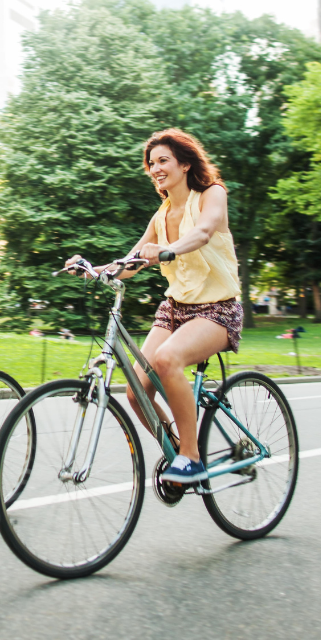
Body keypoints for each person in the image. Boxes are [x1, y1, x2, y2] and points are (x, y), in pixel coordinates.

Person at [66, 128, 242, 484]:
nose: (156, 168)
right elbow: (130, 262)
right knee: (136, 391)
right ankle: (178, 449)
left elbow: (204, 232)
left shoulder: (212, 194)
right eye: (151, 163)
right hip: (175, 310)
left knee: (166, 360)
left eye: (163, 160)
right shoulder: (161, 215)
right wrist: (92, 270)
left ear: (185, 163)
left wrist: (168, 250)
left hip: (217, 309)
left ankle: (192, 458)